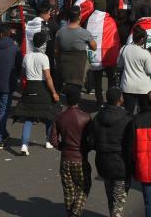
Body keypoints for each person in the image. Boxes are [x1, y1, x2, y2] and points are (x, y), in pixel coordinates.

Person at [86, 87, 131, 217]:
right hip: (121, 163)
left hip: (102, 162)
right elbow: (131, 144)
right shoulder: (127, 119)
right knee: (119, 198)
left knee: (110, 195)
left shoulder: (97, 117)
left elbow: (91, 142)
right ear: (120, 100)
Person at [14, 31, 59, 155]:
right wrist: (54, 92)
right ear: (43, 44)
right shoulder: (44, 57)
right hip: (42, 87)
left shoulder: (27, 56)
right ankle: (48, 140)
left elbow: (22, 74)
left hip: (29, 87)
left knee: (29, 117)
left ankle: (24, 145)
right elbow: (48, 77)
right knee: (49, 114)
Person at [50, 85, 92, 217]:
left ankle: (71, 213)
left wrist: (62, 147)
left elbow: (53, 139)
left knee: (68, 190)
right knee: (84, 186)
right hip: (80, 158)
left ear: (66, 101)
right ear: (78, 100)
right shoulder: (86, 117)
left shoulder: (59, 117)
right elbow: (90, 140)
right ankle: (76, 212)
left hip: (65, 158)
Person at [55, 8, 96, 93]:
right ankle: (89, 86)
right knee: (90, 62)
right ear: (80, 17)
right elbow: (94, 47)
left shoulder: (60, 32)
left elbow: (56, 50)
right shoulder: (85, 33)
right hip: (79, 66)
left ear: (68, 18)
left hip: (64, 63)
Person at [118, 27, 151, 114]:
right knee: (144, 113)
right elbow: (150, 70)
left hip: (128, 86)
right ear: (142, 39)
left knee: (128, 112)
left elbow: (119, 64)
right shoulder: (146, 53)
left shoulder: (124, 48)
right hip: (143, 88)